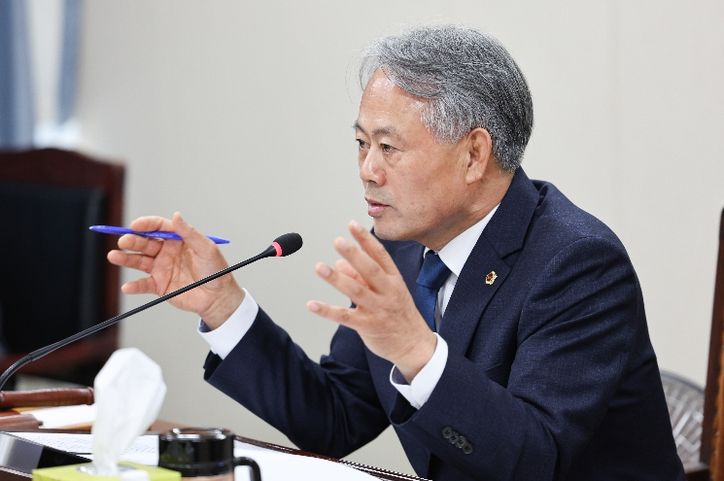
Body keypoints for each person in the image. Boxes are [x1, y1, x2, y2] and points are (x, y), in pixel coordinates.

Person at [108, 25, 685, 481]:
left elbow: (536, 461)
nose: (367, 170)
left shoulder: (578, 263)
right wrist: (222, 306)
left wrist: (414, 350)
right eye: (361, 143)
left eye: (388, 147)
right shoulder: (404, 249)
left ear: (474, 155)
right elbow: (334, 419)